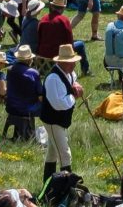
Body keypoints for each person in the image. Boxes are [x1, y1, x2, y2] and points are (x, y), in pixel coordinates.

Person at [39, 47, 84, 179]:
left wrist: (75, 85)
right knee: (65, 154)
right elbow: (58, 104)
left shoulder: (67, 72)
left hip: (60, 120)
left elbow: (73, 79)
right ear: (61, 62)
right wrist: (74, 96)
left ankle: (48, 184)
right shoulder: (53, 79)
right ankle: (67, 186)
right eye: (71, 62)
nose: (74, 65)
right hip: (53, 120)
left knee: (52, 153)